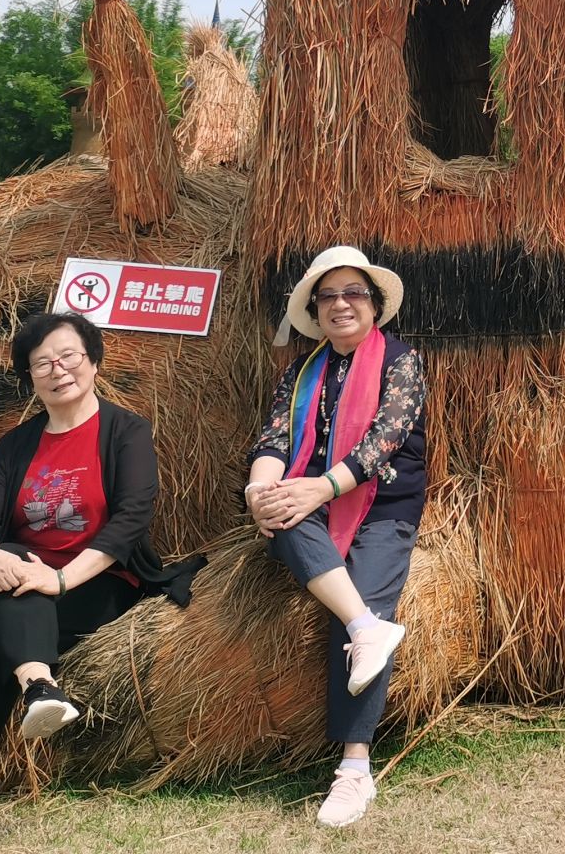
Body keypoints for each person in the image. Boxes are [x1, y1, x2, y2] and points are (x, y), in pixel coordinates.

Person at [0, 311, 196, 846]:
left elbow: (130, 521)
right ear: (30, 377)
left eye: (68, 356)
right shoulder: (16, 444)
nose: (57, 370)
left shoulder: (126, 431)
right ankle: (39, 686)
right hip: (19, 579)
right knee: (9, 564)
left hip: (97, 581)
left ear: (93, 362)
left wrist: (62, 580)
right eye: (41, 363)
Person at [246, 245, 427, 829]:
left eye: (353, 293)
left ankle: (354, 769)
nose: (341, 304)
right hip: (312, 501)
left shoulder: (401, 361)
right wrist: (260, 491)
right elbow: (275, 440)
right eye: (328, 296)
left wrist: (319, 489)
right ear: (315, 310)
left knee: (365, 592)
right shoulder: (301, 373)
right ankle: (365, 627)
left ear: (374, 304)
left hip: (383, 507)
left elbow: (383, 442)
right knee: (283, 517)